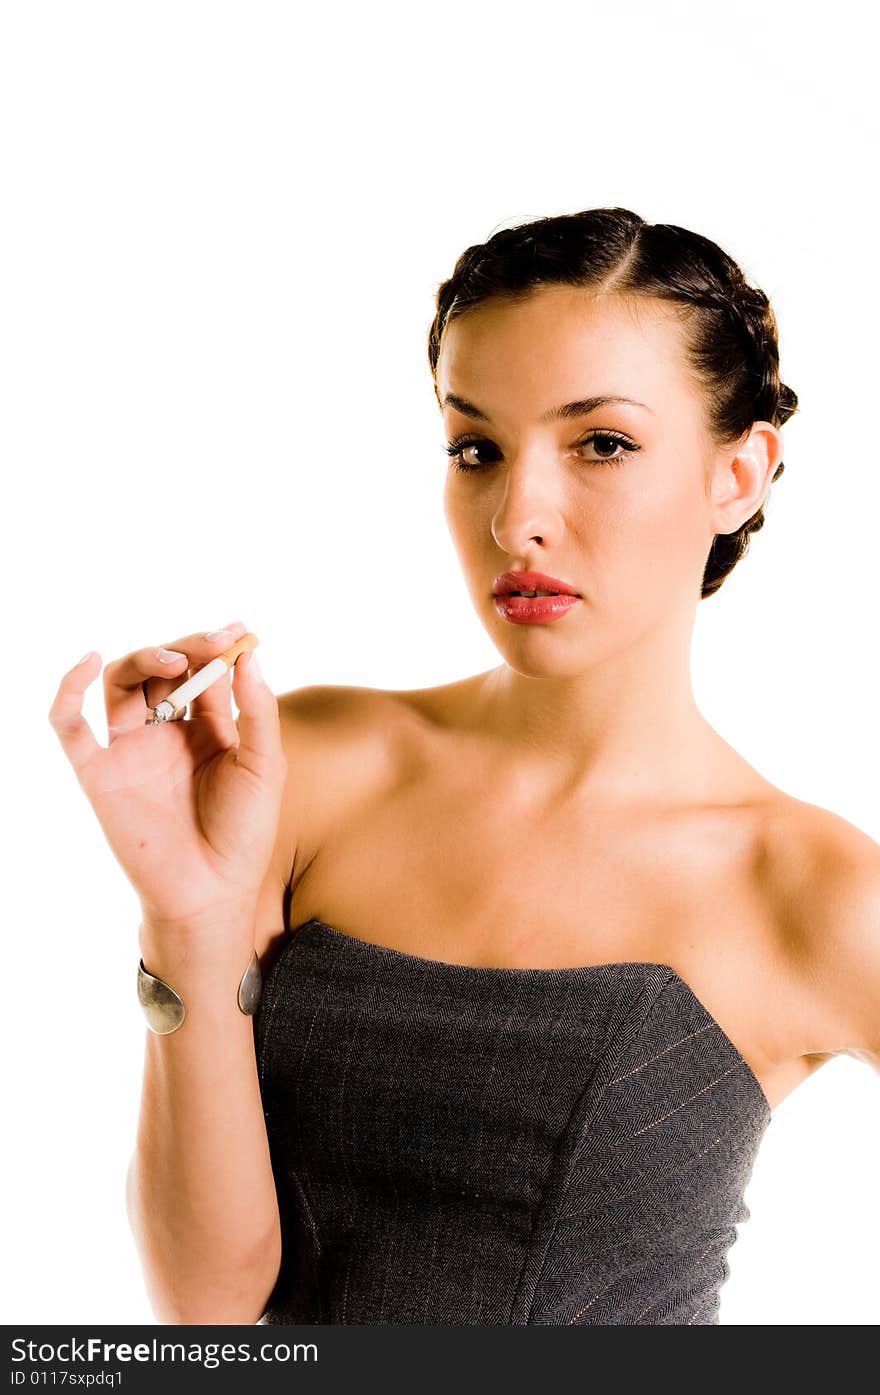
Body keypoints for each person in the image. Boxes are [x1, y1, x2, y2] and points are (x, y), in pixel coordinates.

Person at [49, 206, 880, 1326]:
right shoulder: (313, 766)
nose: (516, 518)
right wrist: (186, 921)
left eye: (601, 444)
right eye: (476, 448)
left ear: (739, 474)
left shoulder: (811, 891)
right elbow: (207, 1313)